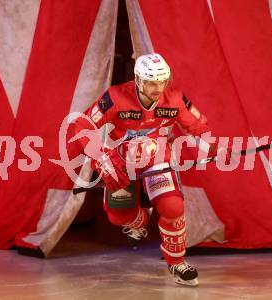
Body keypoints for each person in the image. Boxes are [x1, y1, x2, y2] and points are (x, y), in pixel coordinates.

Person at [75, 53, 215, 287]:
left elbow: (198, 127)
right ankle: (139, 220)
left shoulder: (175, 98)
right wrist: (101, 157)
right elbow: (83, 124)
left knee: (173, 207)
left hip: (158, 160)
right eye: (151, 82)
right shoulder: (116, 97)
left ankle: (177, 262)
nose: (158, 88)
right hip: (121, 163)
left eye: (162, 81)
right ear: (138, 80)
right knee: (118, 216)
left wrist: (212, 148)